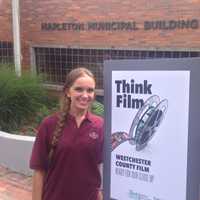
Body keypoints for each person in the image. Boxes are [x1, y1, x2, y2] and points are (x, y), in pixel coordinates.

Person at [30, 67, 104, 200]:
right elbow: (39, 171)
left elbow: (95, 168)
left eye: (90, 90)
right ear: (67, 92)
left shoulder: (100, 125)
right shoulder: (49, 124)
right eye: (79, 89)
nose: (85, 95)